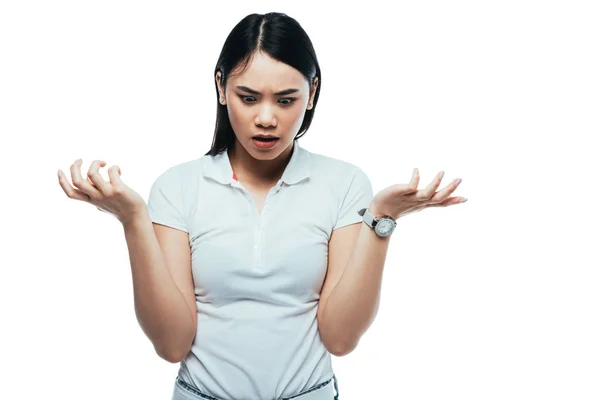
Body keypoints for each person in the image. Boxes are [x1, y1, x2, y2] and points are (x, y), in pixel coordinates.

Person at [57, 11, 467, 400]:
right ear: (221, 87)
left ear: (312, 93)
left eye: (286, 100)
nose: (266, 118)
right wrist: (133, 220)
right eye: (248, 98)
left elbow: (341, 338)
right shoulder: (179, 187)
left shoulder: (343, 184)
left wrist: (383, 217)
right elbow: (171, 343)